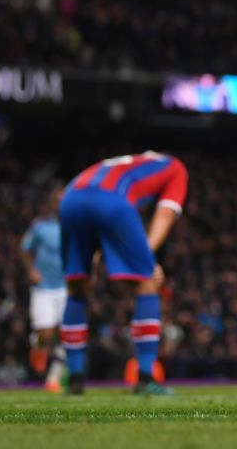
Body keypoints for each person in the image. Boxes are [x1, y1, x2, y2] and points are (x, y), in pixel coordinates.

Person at [59, 151, 188, 395]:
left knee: (76, 287)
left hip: (71, 196)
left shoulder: (123, 163)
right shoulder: (175, 167)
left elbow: (91, 203)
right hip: (110, 200)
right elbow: (166, 214)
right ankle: (146, 378)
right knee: (146, 283)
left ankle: (74, 379)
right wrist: (146, 259)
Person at [20, 186, 67, 392]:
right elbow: (24, 249)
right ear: (51, 205)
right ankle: (37, 343)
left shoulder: (77, 228)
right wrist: (31, 269)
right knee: (46, 334)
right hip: (44, 288)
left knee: (65, 334)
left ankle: (53, 379)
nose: (61, 205)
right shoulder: (40, 227)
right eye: (57, 201)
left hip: (67, 288)